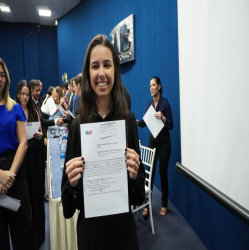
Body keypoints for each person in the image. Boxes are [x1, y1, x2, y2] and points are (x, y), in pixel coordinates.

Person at [61, 35, 145, 250]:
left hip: (123, 234)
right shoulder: (77, 127)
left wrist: (135, 175)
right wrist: (71, 183)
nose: (101, 73)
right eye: (94, 66)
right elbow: (68, 209)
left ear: (115, 70)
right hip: (91, 235)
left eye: (107, 65)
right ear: (88, 74)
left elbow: (137, 197)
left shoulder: (127, 121)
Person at [0, 57, 38, 250]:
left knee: (22, 229)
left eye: (2, 74)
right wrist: (0, 176)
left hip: (15, 174)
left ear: (6, 79)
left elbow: (23, 142)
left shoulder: (13, 107)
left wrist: (9, 176)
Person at [136, 76, 173, 217]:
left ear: (159, 86)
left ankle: (164, 204)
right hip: (153, 141)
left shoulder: (166, 104)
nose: (151, 88)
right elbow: (144, 123)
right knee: (148, 174)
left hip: (164, 143)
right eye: (150, 86)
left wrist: (163, 117)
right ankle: (147, 203)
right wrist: (136, 122)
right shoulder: (149, 104)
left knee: (162, 172)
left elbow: (171, 124)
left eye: (153, 85)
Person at [16, 80, 45, 248]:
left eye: (28, 94)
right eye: (23, 94)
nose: (26, 97)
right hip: (21, 161)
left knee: (37, 197)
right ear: (18, 94)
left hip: (34, 158)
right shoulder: (14, 111)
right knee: (24, 201)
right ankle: (26, 237)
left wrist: (40, 136)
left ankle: (39, 235)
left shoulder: (35, 110)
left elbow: (40, 132)